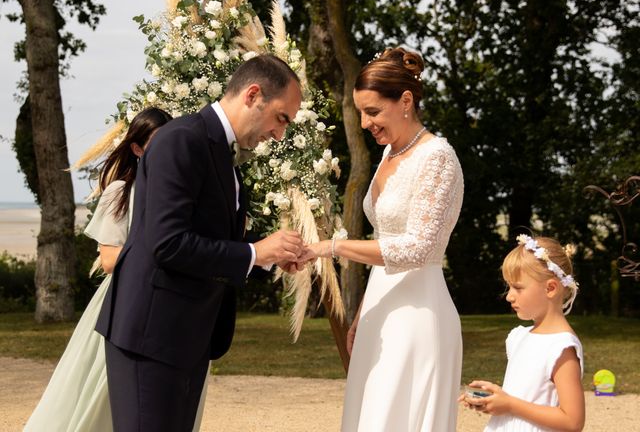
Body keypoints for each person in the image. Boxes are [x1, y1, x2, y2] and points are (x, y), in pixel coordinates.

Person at [95, 54, 305, 431]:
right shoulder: (181, 139)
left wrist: (269, 257)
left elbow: (212, 237)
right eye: (281, 118)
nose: (280, 134)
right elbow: (168, 243)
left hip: (182, 337)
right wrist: (255, 252)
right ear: (253, 94)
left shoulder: (218, 151)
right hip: (151, 334)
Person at [301, 47, 465, 431]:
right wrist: (363, 313)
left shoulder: (437, 157)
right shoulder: (390, 152)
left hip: (418, 317)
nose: (364, 123)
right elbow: (386, 237)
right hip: (380, 308)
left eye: (372, 111)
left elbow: (417, 248)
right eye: (361, 112)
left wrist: (333, 246)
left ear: (405, 101)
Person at [24, 107, 173, 431]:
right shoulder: (121, 192)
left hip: (163, 305)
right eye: (157, 143)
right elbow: (108, 260)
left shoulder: (175, 194)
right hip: (122, 302)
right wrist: (167, 255)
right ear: (136, 148)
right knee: (104, 393)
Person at [461, 234, 585, 432]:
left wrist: (510, 405)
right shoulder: (519, 337)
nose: (509, 296)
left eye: (517, 288)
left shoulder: (561, 348)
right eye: (508, 287)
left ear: (551, 288)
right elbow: (526, 395)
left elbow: (572, 421)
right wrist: (496, 398)